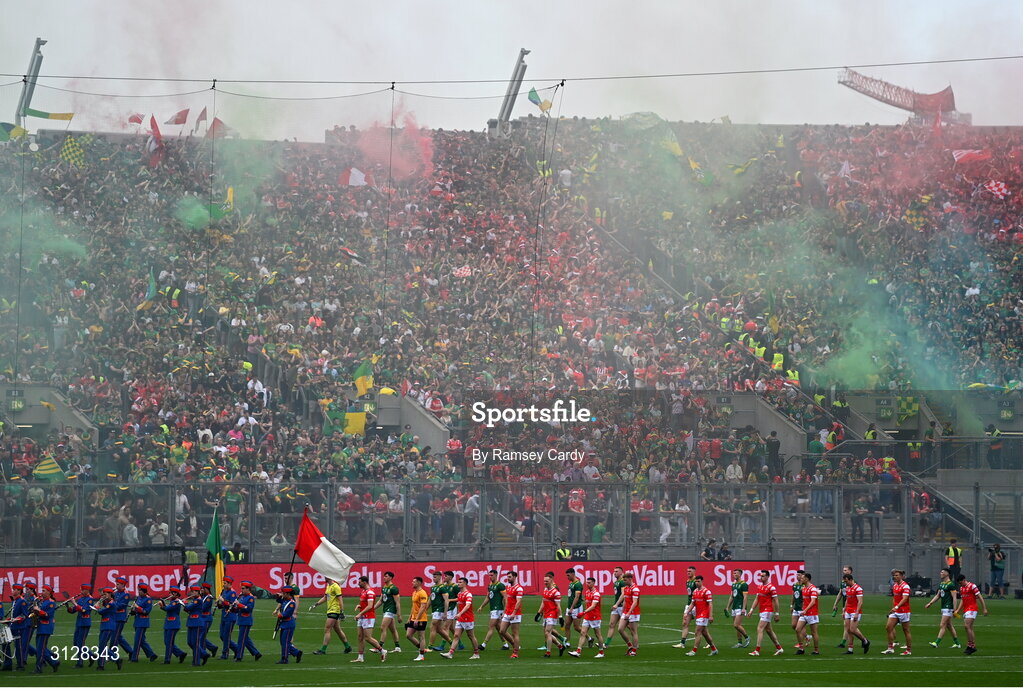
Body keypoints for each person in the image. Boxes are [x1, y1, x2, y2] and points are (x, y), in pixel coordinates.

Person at [310, 577, 352, 655]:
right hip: (330, 610)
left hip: (334, 610)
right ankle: (347, 647)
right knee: (337, 630)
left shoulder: (336, 586)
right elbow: (325, 597)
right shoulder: (329, 586)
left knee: (327, 628)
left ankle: (323, 650)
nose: (324, 578)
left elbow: (340, 599)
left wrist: (342, 611)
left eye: (326, 576)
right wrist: (316, 604)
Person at [746, 569, 783, 656]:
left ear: (767, 577)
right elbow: (757, 599)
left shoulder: (771, 587)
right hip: (762, 610)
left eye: (763, 576)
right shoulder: (760, 586)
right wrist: (751, 610)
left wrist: (777, 613)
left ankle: (757, 650)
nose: (761, 577)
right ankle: (779, 648)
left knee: (759, 628)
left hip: (768, 610)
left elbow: (776, 600)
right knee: (769, 630)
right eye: (760, 576)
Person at [441, 577, 480, 659]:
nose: (458, 583)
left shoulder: (468, 594)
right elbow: (458, 599)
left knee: (471, 636)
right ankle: (450, 653)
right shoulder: (459, 593)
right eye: (458, 582)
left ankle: (476, 653)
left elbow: (468, 605)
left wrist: (459, 613)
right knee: (456, 635)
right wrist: (450, 600)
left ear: (465, 584)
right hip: (461, 618)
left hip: (467, 618)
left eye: (460, 582)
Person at [351, 575, 387, 663]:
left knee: (367, 638)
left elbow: (370, 606)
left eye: (359, 582)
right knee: (360, 637)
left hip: (368, 617)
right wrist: (360, 606)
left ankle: (382, 650)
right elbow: (366, 604)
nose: (358, 584)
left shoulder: (370, 592)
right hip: (363, 616)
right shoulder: (364, 591)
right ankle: (360, 657)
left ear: (364, 582)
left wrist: (360, 614)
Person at [924, 567, 961, 649]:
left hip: (948, 608)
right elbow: (938, 595)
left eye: (942, 572)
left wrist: (955, 610)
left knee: (942, 624)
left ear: (947, 573)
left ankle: (936, 643)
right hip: (943, 607)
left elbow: (954, 598)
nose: (940, 573)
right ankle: (957, 643)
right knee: (949, 626)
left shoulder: (951, 584)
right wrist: (930, 603)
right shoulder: (942, 584)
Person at [569, 576, 606, 658]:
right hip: (587, 617)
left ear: (593, 583)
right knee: (583, 633)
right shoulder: (587, 592)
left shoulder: (596, 594)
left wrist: (583, 612)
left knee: (598, 634)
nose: (587, 584)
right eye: (587, 582)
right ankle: (578, 651)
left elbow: (593, 606)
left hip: (595, 617)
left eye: (589, 583)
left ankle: (601, 652)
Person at [683, 576, 718, 656]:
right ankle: (714, 649)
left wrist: (711, 615)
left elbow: (710, 604)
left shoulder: (706, 591)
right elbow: (692, 603)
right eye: (696, 581)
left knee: (697, 632)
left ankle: (694, 651)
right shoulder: (695, 591)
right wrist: (687, 612)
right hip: (699, 614)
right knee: (705, 633)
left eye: (698, 581)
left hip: (704, 614)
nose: (697, 583)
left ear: (702, 581)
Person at [953, 575, 988, 655]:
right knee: (970, 628)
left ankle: (970, 645)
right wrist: (958, 610)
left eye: (961, 582)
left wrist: (984, 608)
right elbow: (963, 599)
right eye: (959, 583)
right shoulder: (962, 588)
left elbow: (980, 597)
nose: (960, 584)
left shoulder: (972, 586)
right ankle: (972, 646)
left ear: (964, 580)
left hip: (972, 608)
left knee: (967, 626)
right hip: (966, 609)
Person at [882, 569, 912, 656]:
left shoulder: (905, 586)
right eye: (894, 575)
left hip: (904, 611)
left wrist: (896, 607)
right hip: (896, 611)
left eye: (897, 575)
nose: (895, 577)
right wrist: (893, 608)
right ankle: (890, 648)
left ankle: (908, 650)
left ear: (902, 576)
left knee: (906, 630)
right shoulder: (895, 585)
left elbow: (905, 598)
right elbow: (895, 598)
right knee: (888, 628)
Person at [31, 585, 60, 673]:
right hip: (40, 627)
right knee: (40, 649)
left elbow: (47, 615)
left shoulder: (51, 603)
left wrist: (38, 610)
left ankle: (39, 668)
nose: (41, 592)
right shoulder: (42, 602)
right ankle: (54, 663)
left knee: (41, 649)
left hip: (46, 627)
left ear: (49, 592)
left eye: (44, 591)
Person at [476, 569, 507, 651]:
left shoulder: (500, 585)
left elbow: (505, 598)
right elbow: (488, 597)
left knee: (491, 627)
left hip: (498, 609)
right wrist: (482, 606)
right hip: (493, 609)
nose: (490, 577)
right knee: (499, 628)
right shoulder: (490, 585)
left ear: (496, 575)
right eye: (489, 575)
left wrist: (505, 610)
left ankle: (483, 644)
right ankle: (507, 644)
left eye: (492, 575)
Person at [537, 572, 566, 658]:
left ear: (551, 580)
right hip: (546, 613)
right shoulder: (545, 590)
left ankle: (548, 653)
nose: (545, 583)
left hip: (552, 614)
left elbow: (558, 606)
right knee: (546, 633)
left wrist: (560, 617)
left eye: (547, 581)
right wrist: (539, 612)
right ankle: (560, 646)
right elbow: (543, 601)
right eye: (544, 581)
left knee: (547, 632)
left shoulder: (555, 592)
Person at [157, 586, 188, 664]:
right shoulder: (173, 601)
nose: (169, 594)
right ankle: (180, 654)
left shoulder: (176, 602)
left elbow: (168, 608)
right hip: (169, 623)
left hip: (173, 624)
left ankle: (167, 660)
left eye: (170, 593)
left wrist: (162, 605)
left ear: (175, 594)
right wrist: (163, 605)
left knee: (169, 642)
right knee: (167, 642)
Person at [66, 583, 95, 668]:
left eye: (83, 590)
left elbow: (83, 610)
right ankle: (91, 655)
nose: (81, 591)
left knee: (80, 643)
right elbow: (73, 610)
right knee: (76, 643)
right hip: (79, 622)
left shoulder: (90, 600)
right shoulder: (81, 599)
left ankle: (80, 663)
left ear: (87, 590)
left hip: (85, 623)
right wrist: (68, 606)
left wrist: (74, 602)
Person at [840, 573, 870, 654]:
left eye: (846, 581)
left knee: (852, 629)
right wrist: (844, 610)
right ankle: (850, 650)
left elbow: (860, 601)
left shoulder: (858, 588)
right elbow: (847, 600)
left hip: (855, 611)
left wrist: (857, 612)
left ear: (850, 580)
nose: (845, 583)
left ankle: (865, 641)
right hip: (848, 611)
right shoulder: (847, 588)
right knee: (848, 630)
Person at [95, 588, 124, 671]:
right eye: (103, 594)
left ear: (110, 594)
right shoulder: (107, 602)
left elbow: (102, 611)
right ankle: (116, 659)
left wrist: (97, 607)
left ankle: (102, 665)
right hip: (104, 625)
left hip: (109, 625)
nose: (104, 596)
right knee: (102, 646)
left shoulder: (111, 603)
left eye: (105, 594)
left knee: (102, 646)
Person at [129, 583, 158, 662]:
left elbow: (146, 611)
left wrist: (137, 607)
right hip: (137, 621)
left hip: (143, 622)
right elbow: (136, 610)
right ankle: (152, 654)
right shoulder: (138, 598)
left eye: (140, 591)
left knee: (137, 640)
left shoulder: (148, 599)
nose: (139, 592)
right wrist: (132, 611)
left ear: (144, 591)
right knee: (141, 640)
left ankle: (134, 658)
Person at [233, 580, 261, 661]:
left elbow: (248, 609)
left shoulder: (250, 598)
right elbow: (239, 608)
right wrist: (234, 608)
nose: (241, 590)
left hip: (246, 620)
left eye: (243, 588)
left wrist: (239, 604)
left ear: (248, 589)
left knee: (241, 639)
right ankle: (256, 653)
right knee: (245, 639)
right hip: (241, 620)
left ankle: (239, 656)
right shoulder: (242, 597)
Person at [498, 571, 524, 659]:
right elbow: (508, 601)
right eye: (507, 577)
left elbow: (518, 601)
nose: (508, 578)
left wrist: (514, 612)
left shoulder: (519, 588)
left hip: (515, 614)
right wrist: (505, 611)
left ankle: (515, 652)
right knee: (502, 631)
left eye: (509, 577)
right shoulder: (508, 586)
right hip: (508, 612)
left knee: (515, 633)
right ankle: (515, 644)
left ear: (515, 577)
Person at [274, 586, 303, 664]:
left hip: (288, 624)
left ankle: (284, 659)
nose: (282, 594)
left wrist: (280, 615)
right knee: (283, 642)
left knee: (285, 642)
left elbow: (287, 614)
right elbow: (279, 600)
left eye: (283, 593)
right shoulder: (284, 600)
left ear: (287, 594)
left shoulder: (292, 603)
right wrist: (277, 596)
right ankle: (297, 653)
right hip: (284, 624)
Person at [793, 571, 820, 655]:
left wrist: (805, 610)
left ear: (807, 579)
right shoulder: (804, 588)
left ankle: (816, 650)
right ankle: (801, 649)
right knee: (797, 629)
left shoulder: (812, 588)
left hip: (812, 613)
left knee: (814, 632)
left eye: (802, 578)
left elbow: (813, 602)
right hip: (804, 613)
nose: (801, 579)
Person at [375, 571, 402, 652]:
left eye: (386, 576)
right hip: (386, 610)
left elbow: (397, 602)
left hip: (390, 610)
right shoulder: (384, 588)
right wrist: (372, 608)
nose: (384, 577)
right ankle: (397, 647)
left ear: (390, 578)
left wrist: (399, 615)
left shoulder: (393, 588)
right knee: (393, 629)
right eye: (384, 576)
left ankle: (379, 647)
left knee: (383, 627)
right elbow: (381, 601)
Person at [616, 571, 641, 657]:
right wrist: (623, 611)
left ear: (630, 579)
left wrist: (629, 612)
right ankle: (630, 645)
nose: (624, 582)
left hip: (633, 612)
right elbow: (626, 601)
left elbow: (634, 602)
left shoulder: (635, 589)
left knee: (633, 632)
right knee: (620, 629)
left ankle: (634, 650)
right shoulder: (626, 588)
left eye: (625, 580)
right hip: (626, 612)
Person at [426, 570, 452, 652]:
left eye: (435, 577)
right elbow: (431, 598)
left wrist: (445, 613)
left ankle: (430, 647)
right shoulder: (433, 587)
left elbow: (446, 600)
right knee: (439, 629)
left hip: (439, 610)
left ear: (440, 577)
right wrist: (426, 608)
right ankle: (452, 642)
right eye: (433, 577)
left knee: (432, 627)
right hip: (434, 610)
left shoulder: (442, 588)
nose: (433, 578)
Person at [674, 566, 699, 650]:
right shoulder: (687, 581)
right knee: (685, 623)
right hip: (689, 605)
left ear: (694, 572)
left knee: (701, 626)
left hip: (697, 605)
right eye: (687, 571)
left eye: (690, 571)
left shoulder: (696, 581)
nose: (688, 572)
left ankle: (709, 643)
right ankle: (682, 643)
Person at [183, 586, 209, 666]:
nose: (192, 593)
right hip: (191, 622)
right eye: (192, 591)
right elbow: (187, 610)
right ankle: (204, 654)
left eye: (194, 591)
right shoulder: (194, 600)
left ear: (198, 592)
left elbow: (188, 607)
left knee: (195, 642)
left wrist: (184, 603)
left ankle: (196, 662)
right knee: (190, 642)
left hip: (197, 623)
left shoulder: (198, 600)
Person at [407, 577, 430, 662]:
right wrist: (410, 617)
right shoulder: (414, 592)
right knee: (408, 635)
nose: (412, 583)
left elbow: (423, 607)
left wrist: (417, 619)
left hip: (421, 619)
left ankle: (421, 655)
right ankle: (422, 648)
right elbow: (414, 606)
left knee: (421, 636)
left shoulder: (422, 593)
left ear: (419, 583)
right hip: (414, 618)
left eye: (414, 582)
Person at [830, 564, 853, 647]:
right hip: (845, 605)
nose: (844, 572)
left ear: (850, 571)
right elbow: (840, 593)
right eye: (844, 570)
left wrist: (845, 608)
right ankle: (863, 640)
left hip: (852, 607)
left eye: (846, 570)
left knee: (849, 626)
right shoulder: (843, 583)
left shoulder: (853, 583)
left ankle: (844, 643)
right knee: (848, 626)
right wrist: (835, 604)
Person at [112, 576, 134, 658]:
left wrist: (111, 604)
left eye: (118, 584)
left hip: (120, 617)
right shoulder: (116, 593)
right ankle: (130, 651)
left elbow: (120, 606)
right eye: (116, 584)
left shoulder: (126, 594)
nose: (116, 586)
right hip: (114, 617)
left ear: (123, 585)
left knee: (114, 638)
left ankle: (112, 655)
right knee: (118, 636)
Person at [728, 568, 750, 648]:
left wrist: (744, 608)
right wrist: (728, 607)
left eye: (736, 573)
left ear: (740, 574)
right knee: (737, 626)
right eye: (733, 573)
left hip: (740, 607)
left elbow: (745, 597)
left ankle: (747, 637)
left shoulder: (744, 584)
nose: (734, 575)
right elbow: (732, 596)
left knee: (736, 625)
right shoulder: (733, 584)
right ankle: (740, 642)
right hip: (734, 607)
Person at [216, 576, 238, 660]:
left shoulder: (232, 593)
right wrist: (219, 603)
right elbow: (222, 605)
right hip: (224, 616)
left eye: (225, 583)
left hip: (230, 616)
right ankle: (236, 649)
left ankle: (225, 653)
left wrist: (223, 601)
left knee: (226, 636)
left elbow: (232, 605)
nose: (223, 584)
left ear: (229, 584)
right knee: (222, 635)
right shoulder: (224, 591)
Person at [563, 568, 584, 649]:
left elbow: (577, 597)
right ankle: (567, 642)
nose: (567, 577)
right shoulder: (571, 583)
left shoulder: (578, 584)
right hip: (570, 607)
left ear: (572, 574)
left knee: (576, 627)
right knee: (567, 625)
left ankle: (589, 638)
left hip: (576, 608)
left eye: (568, 575)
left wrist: (572, 608)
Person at [606, 566, 626, 648]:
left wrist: (617, 604)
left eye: (617, 571)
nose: (615, 573)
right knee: (611, 624)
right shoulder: (616, 582)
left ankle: (634, 642)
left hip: (621, 606)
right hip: (616, 606)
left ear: (621, 572)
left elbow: (623, 594)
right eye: (614, 571)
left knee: (628, 626)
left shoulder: (622, 582)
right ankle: (606, 644)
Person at [198, 582, 218, 658]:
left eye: (203, 589)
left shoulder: (209, 598)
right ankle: (212, 648)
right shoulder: (203, 597)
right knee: (201, 636)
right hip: (202, 618)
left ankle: (203, 653)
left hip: (206, 618)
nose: (202, 590)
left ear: (207, 589)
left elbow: (203, 608)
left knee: (201, 637)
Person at [789, 568, 805, 649]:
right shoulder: (795, 585)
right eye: (797, 575)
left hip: (802, 609)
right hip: (796, 607)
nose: (797, 576)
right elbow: (793, 595)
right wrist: (791, 605)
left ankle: (800, 643)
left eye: (799, 575)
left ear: (803, 576)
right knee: (793, 625)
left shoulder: (805, 586)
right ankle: (807, 637)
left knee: (800, 627)